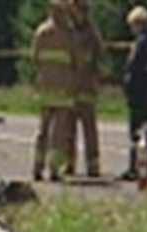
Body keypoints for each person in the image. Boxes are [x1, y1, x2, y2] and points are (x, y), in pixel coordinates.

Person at [31, 0, 77, 181]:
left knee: (43, 129)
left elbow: (35, 58)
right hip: (63, 89)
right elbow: (77, 61)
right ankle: (54, 169)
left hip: (45, 88)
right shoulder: (68, 35)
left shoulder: (41, 33)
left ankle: (37, 166)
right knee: (59, 133)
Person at [122, 5, 147, 183]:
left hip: (139, 93)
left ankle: (136, 168)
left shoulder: (141, 44)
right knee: (146, 129)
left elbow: (134, 69)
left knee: (137, 132)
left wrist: (127, 84)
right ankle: (146, 167)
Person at [67, 0, 103, 178]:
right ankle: (68, 164)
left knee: (90, 130)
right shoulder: (67, 31)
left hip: (87, 86)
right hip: (70, 87)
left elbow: (98, 58)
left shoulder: (92, 34)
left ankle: (93, 165)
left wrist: (96, 79)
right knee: (68, 130)